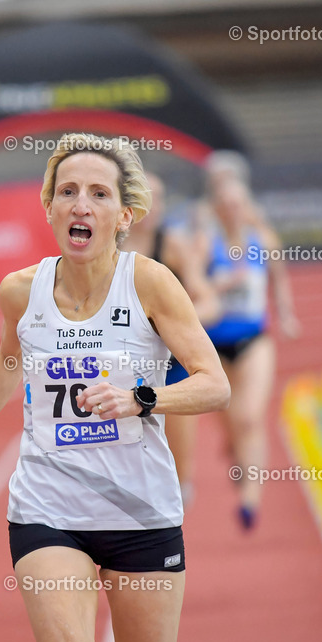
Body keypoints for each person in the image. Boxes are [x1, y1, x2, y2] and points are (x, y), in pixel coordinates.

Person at [0, 133, 230, 642]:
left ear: (124, 214)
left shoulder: (150, 283)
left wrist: (141, 399)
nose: (81, 204)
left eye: (98, 193)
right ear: (49, 208)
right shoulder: (21, 291)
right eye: (67, 191)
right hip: (49, 507)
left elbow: (215, 385)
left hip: (140, 508)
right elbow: (7, 363)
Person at [193, 177, 300, 531]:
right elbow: (190, 287)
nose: (234, 210)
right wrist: (219, 285)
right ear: (217, 209)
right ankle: (236, 452)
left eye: (239, 204)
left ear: (247, 206)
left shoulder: (264, 240)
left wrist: (285, 314)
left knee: (250, 417)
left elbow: (279, 281)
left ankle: (250, 499)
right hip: (216, 345)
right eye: (227, 204)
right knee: (231, 422)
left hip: (255, 340)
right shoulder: (206, 243)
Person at [123, 171, 221, 507]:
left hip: (172, 369)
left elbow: (209, 300)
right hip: (125, 369)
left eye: (162, 197)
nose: (157, 206)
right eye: (149, 197)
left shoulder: (172, 245)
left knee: (179, 472)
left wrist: (178, 323)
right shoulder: (108, 247)